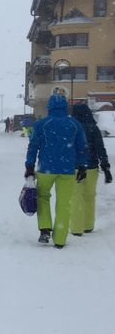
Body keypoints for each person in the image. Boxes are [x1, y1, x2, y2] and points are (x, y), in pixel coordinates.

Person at [25, 94, 88, 249]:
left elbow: (33, 146)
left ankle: (45, 229)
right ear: (66, 107)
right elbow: (82, 147)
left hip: (46, 168)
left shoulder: (42, 124)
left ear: (49, 107)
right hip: (67, 170)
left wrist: (29, 166)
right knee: (64, 204)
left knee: (42, 197)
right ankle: (60, 239)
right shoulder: (74, 124)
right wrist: (82, 166)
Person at [70, 104, 112, 236]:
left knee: (76, 197)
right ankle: (88, 225)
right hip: (92, 168)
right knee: (89, 196)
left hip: (75, 168)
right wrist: (105, 166)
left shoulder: (72, 128)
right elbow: (100, 149)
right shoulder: (94, 128)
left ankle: (76, 228)